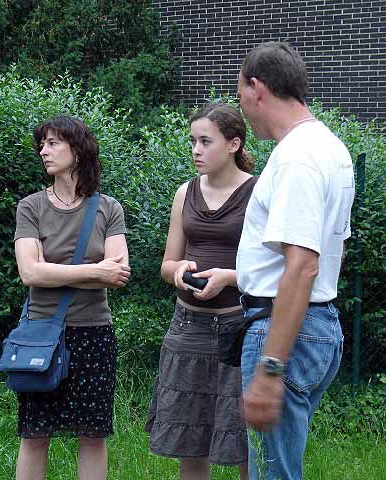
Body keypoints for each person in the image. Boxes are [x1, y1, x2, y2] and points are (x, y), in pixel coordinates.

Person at [236, 42, 355, 480]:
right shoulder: (329, 148)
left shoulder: (296, 158)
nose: (241, 106)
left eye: (239, 93)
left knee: (275, 475)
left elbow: (303, 265)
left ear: (257, 87)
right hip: (313, 324)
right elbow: (330, 251)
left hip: (283, 330)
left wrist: (271, 367)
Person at [13, 115, 131, 480]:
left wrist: (54, 270)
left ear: (77, 150)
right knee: (35, 434)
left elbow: (118, 273)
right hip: (41, 335)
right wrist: (95, 272)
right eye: (42, 145)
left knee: (92, 435)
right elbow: (30, 273)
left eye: (52, 143)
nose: (43, 151)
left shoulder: (108, 208)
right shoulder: (30, 207)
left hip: (94, 333)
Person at [145, 103, 257, 480]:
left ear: (233, 144)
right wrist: (177, 272)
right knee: (189, 441)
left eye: (205, 141)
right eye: (193, 141)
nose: (196, 150)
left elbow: (276, 270)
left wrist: (229, 277)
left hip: (239, 327)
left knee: (245, 441)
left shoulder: (259, 192)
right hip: (187, 327)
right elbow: (167, 264)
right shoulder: (185, 192)